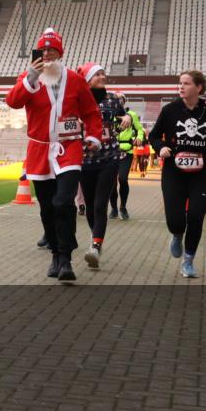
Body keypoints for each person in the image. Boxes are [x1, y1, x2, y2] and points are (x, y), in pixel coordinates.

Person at [5, 28, 103, 283]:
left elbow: (92, 112)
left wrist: (93, 137)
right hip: (39, 150)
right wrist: (31, 77)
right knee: (47, 207)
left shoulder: (75, 79)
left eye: (52, 49)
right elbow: (13, 101)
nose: (47, 54)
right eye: (43, 50)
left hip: (68, 148)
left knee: (63, 202)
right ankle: (55, 253)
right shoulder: (29, 78)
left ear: (60, 52)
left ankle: (66, 257)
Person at [147, 70, 206, 279]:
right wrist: (161, 147)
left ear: (198, 88)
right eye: (180, 83)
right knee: (175, 219)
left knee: (196, 216)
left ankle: (188, 260)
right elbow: (154, 135)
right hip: (174, 173)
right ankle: (176, 234)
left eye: (186, 83)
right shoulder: (170, 110)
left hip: (201, 174)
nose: (181, 87)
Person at [76, 63, 130, 269]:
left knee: (100, 204)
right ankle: (95, 237)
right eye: (97, 74)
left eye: (103, 74)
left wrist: (125, 117)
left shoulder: (113, 99)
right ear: (87, 79)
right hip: (85, 160)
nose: (103, 77)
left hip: (109, 158)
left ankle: (96, 247)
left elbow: (122, 114)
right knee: (90, 206)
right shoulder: (78, 100)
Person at [109, 93, 145, 220]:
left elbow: (140, 130)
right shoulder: (109, 114)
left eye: (120, 99)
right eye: (116, 99)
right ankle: (113, 208)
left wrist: (139, 138)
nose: (118, 101)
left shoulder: (132, 115)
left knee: (123, 179)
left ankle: (123, 207)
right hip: (111, 152)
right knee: (111, 182)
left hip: (126, 152)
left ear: (124, 101)